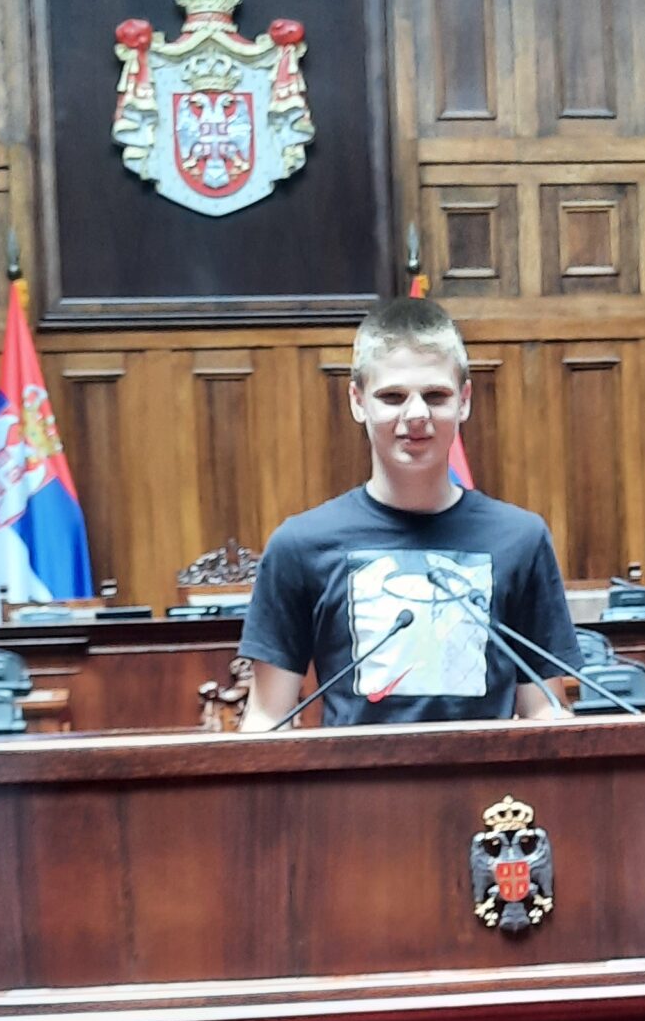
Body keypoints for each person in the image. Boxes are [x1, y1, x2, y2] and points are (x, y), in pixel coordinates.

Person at [239, 297, 580, 730]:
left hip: (486, 776)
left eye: (435, 395)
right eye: (392, 396)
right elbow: (267, 717)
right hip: (353, 775)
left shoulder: (521, 539)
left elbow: (543, 709)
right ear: (358, 401)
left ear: (464, 400)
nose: (416, 415)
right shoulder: (299, 545)